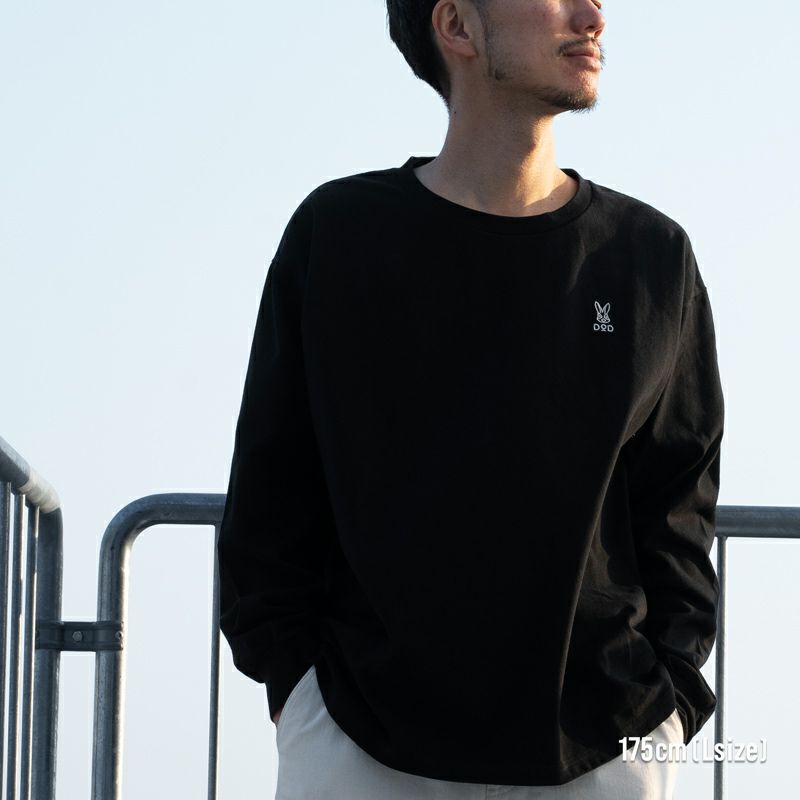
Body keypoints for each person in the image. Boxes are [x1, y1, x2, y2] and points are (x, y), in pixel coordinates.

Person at [216, 1, 725, 798]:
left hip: (601, 751)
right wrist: (298, 695)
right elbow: (272, 490)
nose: (592, 14)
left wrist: (666, 713)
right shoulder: (340, 237)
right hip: (359, 749)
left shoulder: (650, 257)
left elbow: (677, 508)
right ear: (456, 26)